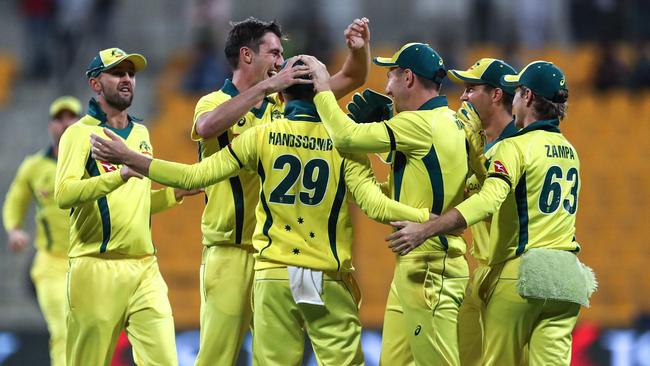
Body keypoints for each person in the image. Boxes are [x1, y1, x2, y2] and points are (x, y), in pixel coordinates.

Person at [89, 58, 431, 366]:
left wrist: (132, 158)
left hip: (275, 274)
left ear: (281, 98)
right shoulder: (344, 143)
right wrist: (428, 221)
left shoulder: (262, 136)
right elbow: (373, 203)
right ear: (324, 93)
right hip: (324, 274)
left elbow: (193, 176)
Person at [188, 16, 370, 366]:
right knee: (217, 358)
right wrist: (267, 89)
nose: (279, 61)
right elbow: (205, 128)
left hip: (273, 258)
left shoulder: (285, 107)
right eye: (274, 53)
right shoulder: (213, 102)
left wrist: (359, 50)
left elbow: (351, 77)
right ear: (246, 55)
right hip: (229, 251)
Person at [388, 61, 596, 365]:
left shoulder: (515, 147)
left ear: (526, 97)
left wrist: (429, 227)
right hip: (566, 278)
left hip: (521, 272)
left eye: (517, 92)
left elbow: (488, 200)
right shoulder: (570, 150)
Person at [306, 43, 469, 365]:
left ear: (408, 77)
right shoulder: (447, 120)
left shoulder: (419, 124)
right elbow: (407, 187)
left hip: (429, 264)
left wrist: (322, 88)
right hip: (420, 263)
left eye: (391, 75)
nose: (386, 86)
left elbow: (345, 137)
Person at [54, 47, 199, 366]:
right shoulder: (78, 135)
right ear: (95, 84)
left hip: (145, 267)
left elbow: (135, 203)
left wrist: (173, 195)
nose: (127, 80)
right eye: (118, 73)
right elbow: (64, 195)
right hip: (96, 267)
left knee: (164, 360)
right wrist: (118, 174)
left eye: (131, 74)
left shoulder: (142, 133)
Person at [447, 58, 518, 366]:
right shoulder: (478, 144)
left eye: (471, 89)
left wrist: (476, 159)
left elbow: (495, 201)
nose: (462, 97)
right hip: (484, 273)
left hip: (512, 277)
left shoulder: (518, 145)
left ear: (496, 95)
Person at [3, 96, 81, 366]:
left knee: (91, 332)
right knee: (63, 328)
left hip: (90, 261)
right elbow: (14, 202)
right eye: (59, 118)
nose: (65, 123)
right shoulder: (34, 167)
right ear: (50, 125)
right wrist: (14, 229)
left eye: (71, 117)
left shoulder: (95, 162)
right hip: (52, 262)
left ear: (82, 122)